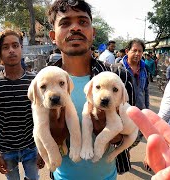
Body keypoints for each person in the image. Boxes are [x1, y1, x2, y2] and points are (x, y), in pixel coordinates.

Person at [47, 0, 135, 179]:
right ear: (53, 36)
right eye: (65, 23)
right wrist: (56, 137)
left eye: (83, 22)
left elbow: (136, 131)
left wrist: (113, 135)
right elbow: (35, 135)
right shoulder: (43, 84)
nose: (75, 28)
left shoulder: (120, 77)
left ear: (93, 33)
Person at [0, 29, 42, 180]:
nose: (11, 50)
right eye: (5, 47)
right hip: (7, 151)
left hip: (32, 147)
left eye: (15, 45)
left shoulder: (35, 82)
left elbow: (42, 118)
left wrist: (43, 149)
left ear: (21, 48)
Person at [120, 39, 149, 110]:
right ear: (127, 51)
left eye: (140, 51)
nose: (137, 54)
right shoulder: (119, 69)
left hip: (140, 110)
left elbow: (145, 90)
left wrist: (147, 108)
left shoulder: (144, 69)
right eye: (134, 50)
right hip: (123, 111)